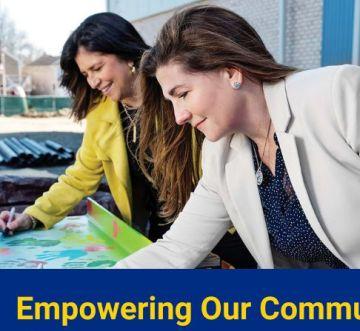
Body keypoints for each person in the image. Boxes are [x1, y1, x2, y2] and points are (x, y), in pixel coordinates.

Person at [114, 5, 360, 269]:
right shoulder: (219, 153)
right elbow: (177, 249)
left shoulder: (337, 94)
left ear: (231, 72)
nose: (179, 116)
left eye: (183, 95)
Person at [0, 13, 255, 267]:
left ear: (126, 55)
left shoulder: (175, 94)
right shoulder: (101, 115)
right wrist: (32, 216)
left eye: (97, 68)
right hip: (162, 236)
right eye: (86, 73)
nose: (93, 81)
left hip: (224, 230)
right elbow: (79, 178)